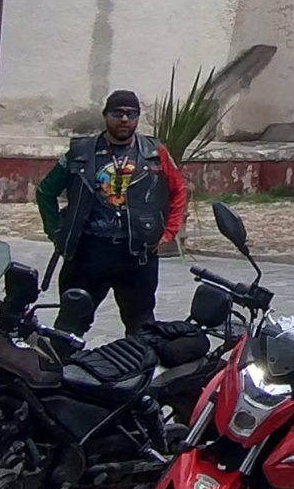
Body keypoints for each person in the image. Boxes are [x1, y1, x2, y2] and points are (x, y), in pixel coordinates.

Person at [37, 89, 185, 333]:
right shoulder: (80, 152)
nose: (124, 120)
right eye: (118, 113)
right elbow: (45, 192)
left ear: (138, 117)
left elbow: (178, 190)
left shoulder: (154, 153)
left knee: (142, 328)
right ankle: (56, 369)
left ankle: (136, 370)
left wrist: (168, 232)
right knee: (69, 326)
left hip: (137, 256)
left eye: (131, 114)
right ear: (106, 115)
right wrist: (56, 232)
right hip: (88, 253)